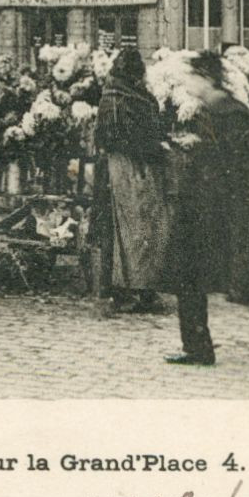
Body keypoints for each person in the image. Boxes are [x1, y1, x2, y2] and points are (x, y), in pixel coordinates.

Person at [165, 52, 249, 366]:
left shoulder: (229, 112)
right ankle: (196, 347)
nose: (187, 83)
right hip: (205, 209)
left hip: (223, 213)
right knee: (189, 275)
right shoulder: (214, 110)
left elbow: (246, 166)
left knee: (248, 287)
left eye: (192, 76)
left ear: (206, 78)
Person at [91, 48, 171, 315]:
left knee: (146, 226)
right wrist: (153, 146)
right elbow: (110, 137)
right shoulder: (114, 98)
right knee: (131, 228)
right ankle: (130, 290)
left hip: (143, 167)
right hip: (125, 168)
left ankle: (145, 288)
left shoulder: (133, 95)